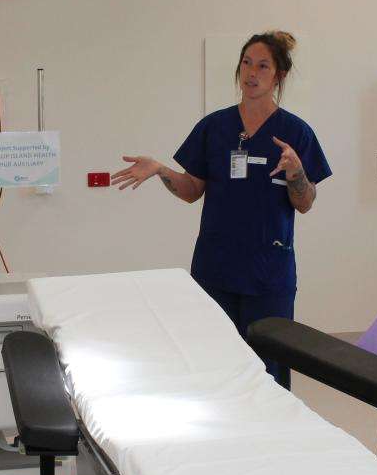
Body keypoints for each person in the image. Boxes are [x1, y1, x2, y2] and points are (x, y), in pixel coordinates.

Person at [113, 31, 331, 386]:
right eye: (246, 63)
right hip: (216, 270)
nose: (252, 73)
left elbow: (304, 203)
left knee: (268, 374)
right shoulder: (214, 128)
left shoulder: (296, 133)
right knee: (214, 367)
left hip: (268, 275)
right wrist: (160, 170)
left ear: (278, 75)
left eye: (263, 66)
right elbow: (191, 191)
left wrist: (296, 172)